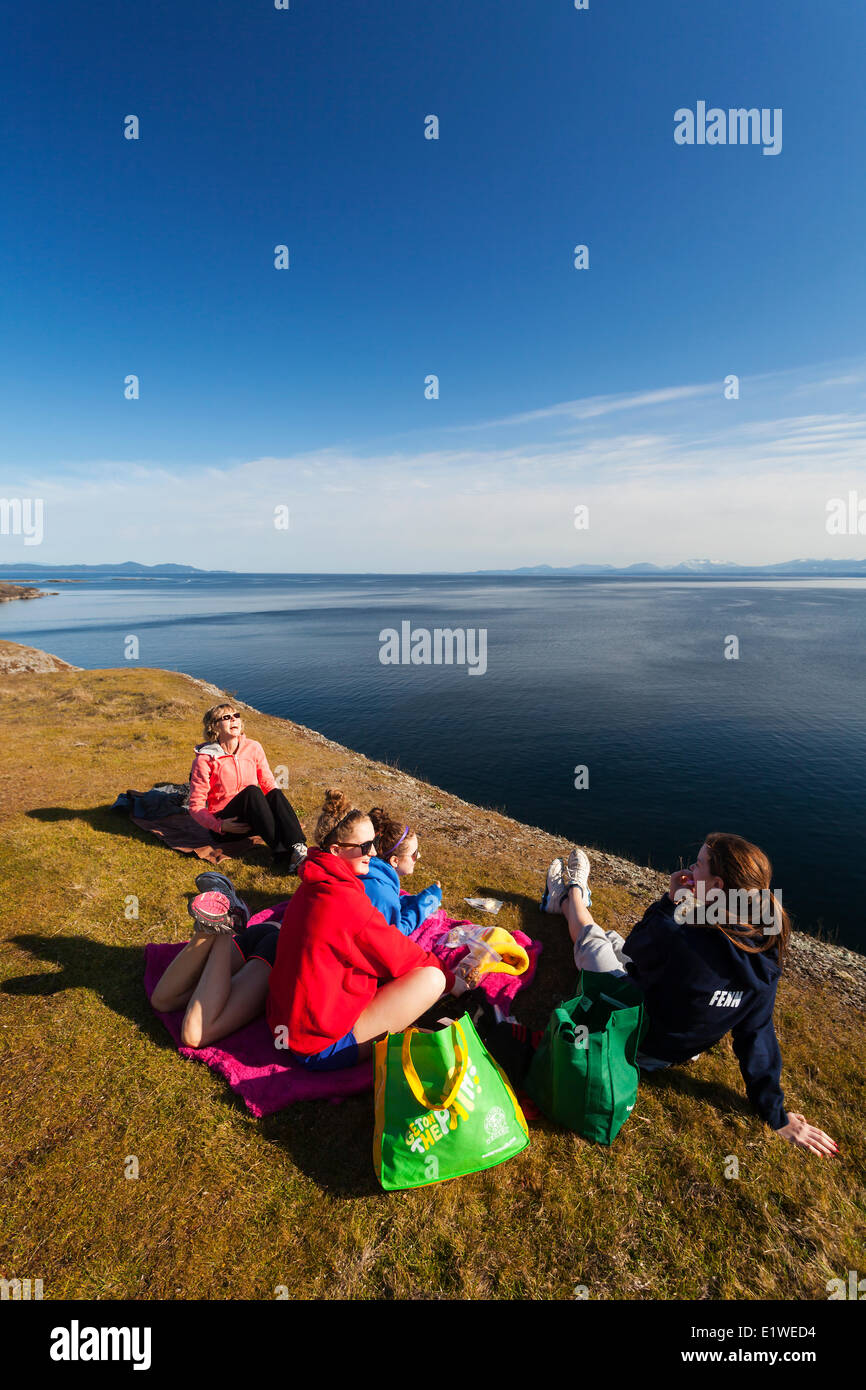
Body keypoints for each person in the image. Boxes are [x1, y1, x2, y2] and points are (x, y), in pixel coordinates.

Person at [541, 833, 839, 1158]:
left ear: (718, 886)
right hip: (677, 1046)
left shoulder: (684, 938)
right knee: (612, 939)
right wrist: (776, 1116)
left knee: (593, 940)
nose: (690, 869)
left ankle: (569, 895)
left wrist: (670, 903)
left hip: (635, 1041)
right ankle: (573, 900)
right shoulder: (765, 956)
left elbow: (638, 949)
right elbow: (756, 1035)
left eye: (697, 865)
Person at [265, 794, 456, 1071]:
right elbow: (399, 954)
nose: (374, 853)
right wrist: (451, 980)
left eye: (373, 844)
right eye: (365, 846)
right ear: (335, 850)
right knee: (432, 979)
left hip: (286, 1023)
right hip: (319, 1044)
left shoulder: (312, 883)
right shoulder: (345, 901)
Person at [149, 871, 276, 1048]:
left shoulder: (315, 879)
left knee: (163, 1000)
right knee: (195, 1033)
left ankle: (220, 924)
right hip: (279, 948)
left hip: (266, 932)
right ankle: (226, 924)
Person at [188, 703, 306, 872]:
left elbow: (267, 782)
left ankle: (299, 847)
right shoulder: (205, 759)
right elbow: (195, 806)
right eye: (226, 717)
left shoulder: (253, 747)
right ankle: (283, 854)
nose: (234, 719)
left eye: (236, 715)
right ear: (214, 726)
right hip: (227, 825)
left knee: (274, 792)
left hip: (253, 819)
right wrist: (219, 826)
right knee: (252, 791)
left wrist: (279, 811)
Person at [361, 802, 442, 935]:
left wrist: (417, 900)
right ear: (394, 861)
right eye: (414, 854)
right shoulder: (382, 892)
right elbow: (396, 934)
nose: (419, 856)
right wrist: (429, 902)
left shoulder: (369, 870)